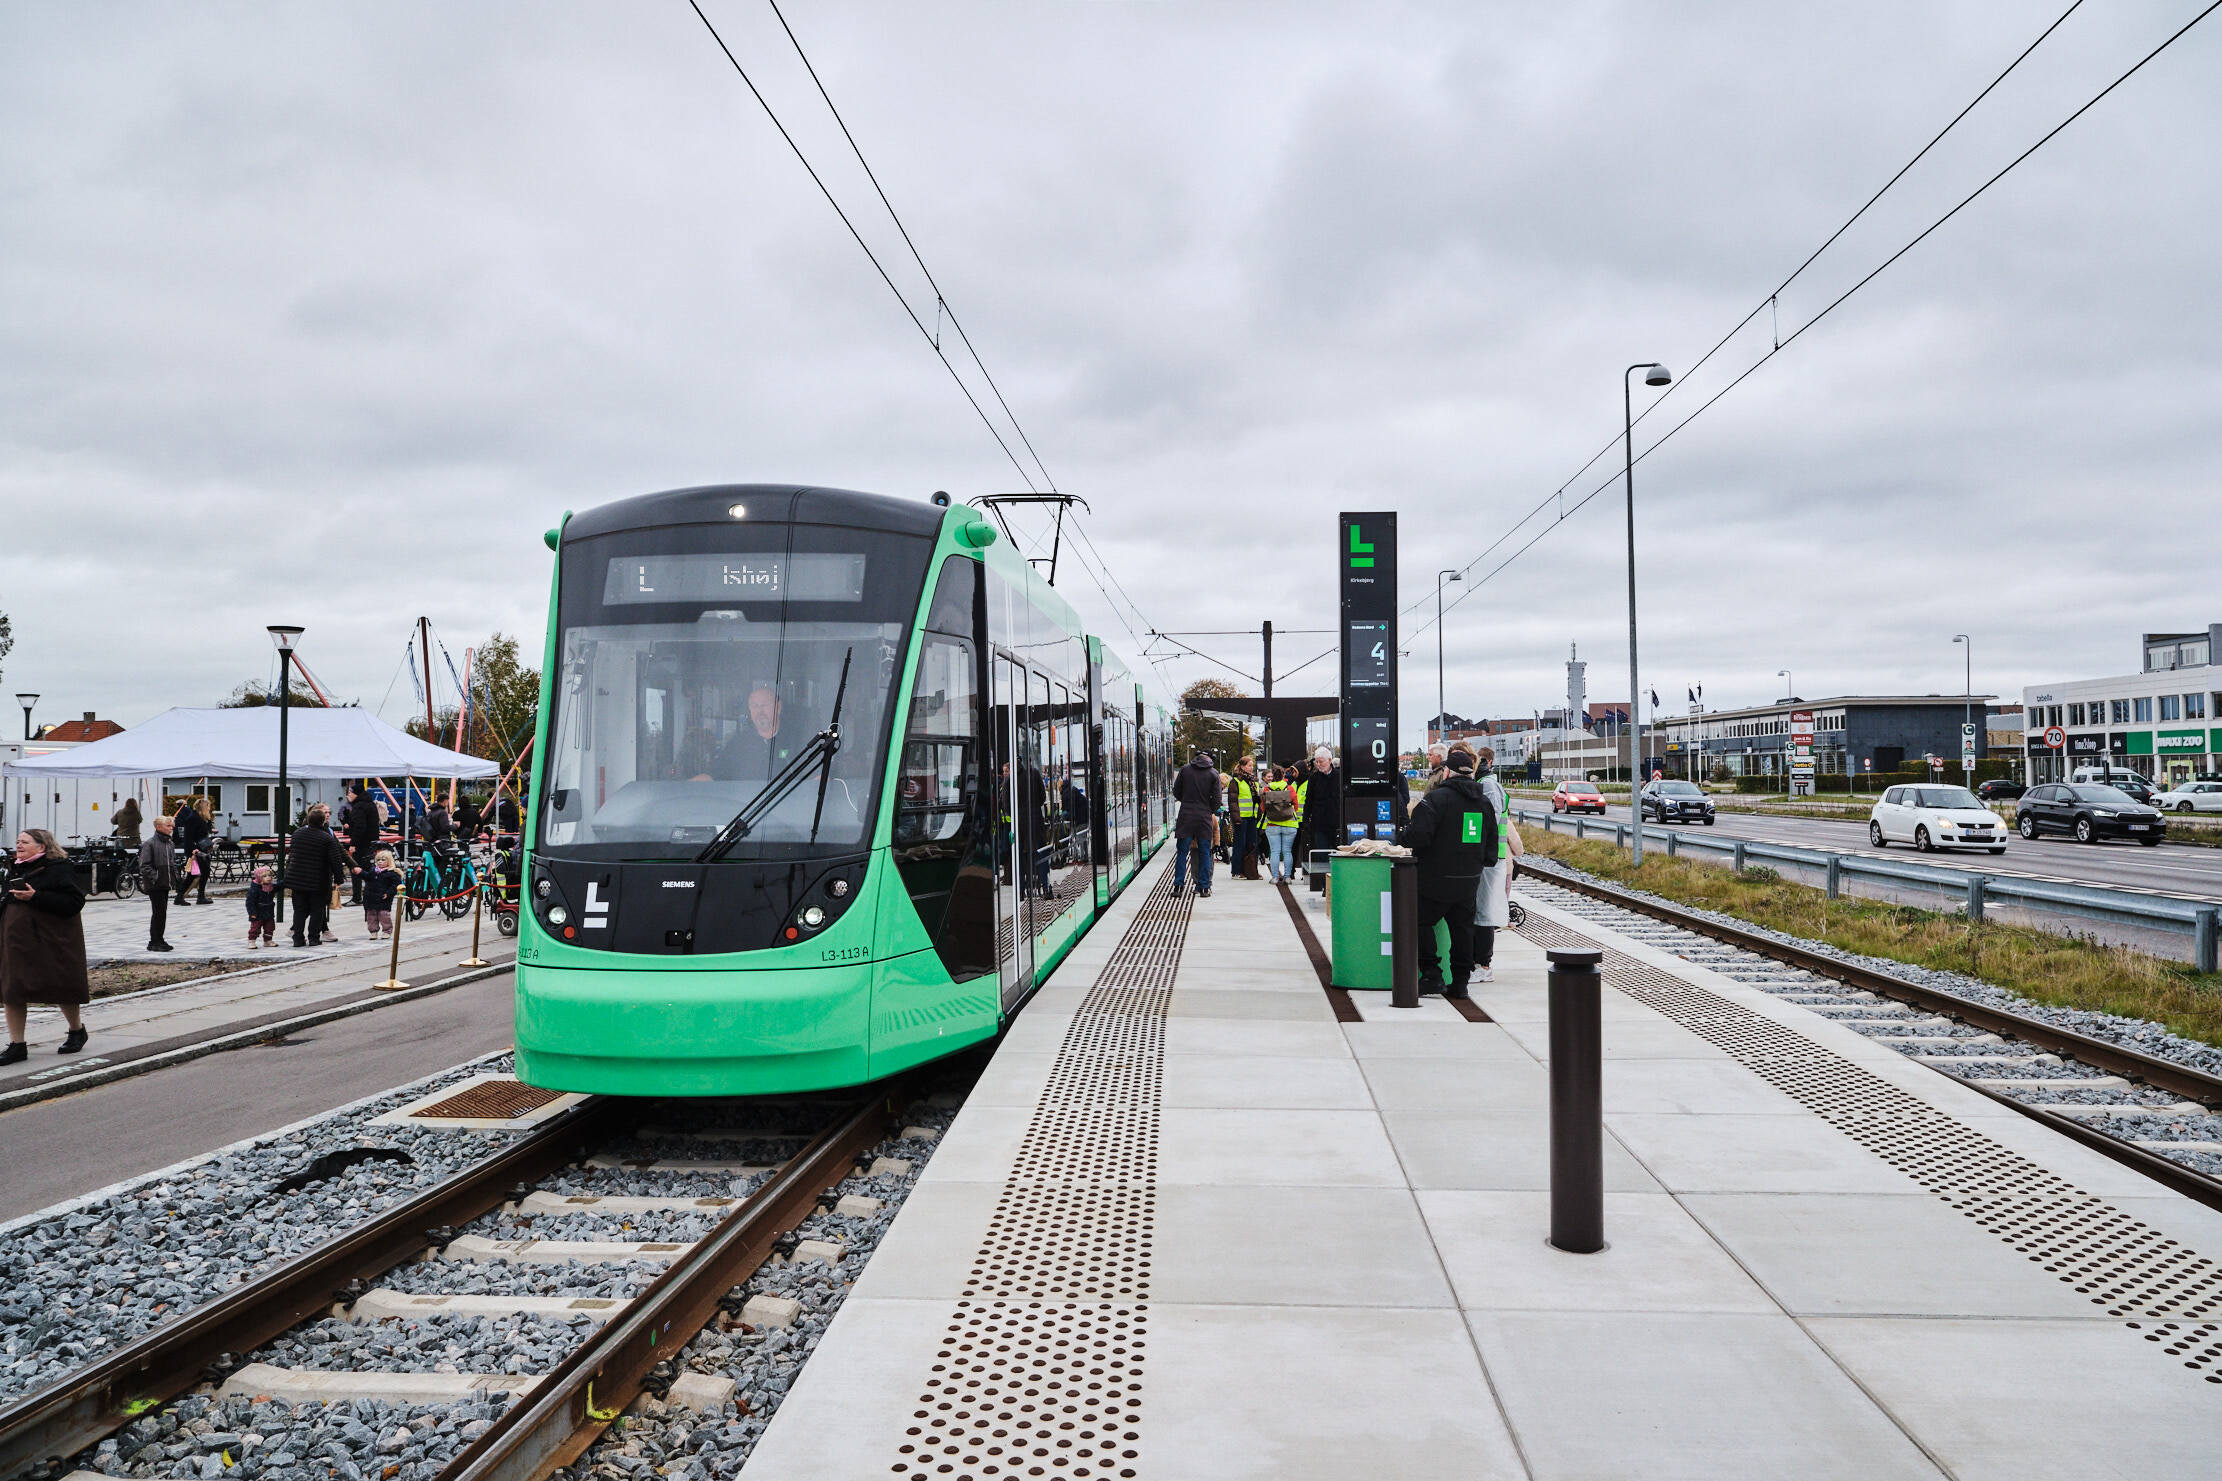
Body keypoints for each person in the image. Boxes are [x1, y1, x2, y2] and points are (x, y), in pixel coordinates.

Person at [1404, 750, 1495, 999]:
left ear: (1446, 773)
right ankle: (1461, 983)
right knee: (1463, 930)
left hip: (1435, 879)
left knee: (1419, 922)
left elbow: (1418, 837)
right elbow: (1491, 847)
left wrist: (1403, 836)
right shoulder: (1484, 803)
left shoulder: (1435, 800)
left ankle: (1432, 974)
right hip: (1469, 881)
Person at [1, 829, 92, 1064]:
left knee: (62, 984)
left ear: (41, 847)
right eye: (17, 841)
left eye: (25, 842)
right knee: (12, 989)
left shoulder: (59, 868)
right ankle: (17, 1045)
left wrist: (35, 896)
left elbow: (74, 902)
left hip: (51, 939)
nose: (18, 845)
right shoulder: (15, 868)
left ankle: (76, 1030)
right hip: (17, 941)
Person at [1471, 745, 1524, 984]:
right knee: (1481, 911)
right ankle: (1480, 963)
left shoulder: (1489, 786)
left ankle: (1483, 965)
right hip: (1490, 857)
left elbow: (1489, 822)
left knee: (1484, 913)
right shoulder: (1486, 783)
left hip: (1490, 858)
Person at [698, 683, 805, 781]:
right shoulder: (738, 744)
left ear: (778, 707)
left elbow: (813, 777)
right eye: (755, 706)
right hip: (748, 797)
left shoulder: (797, 741)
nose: (760, 711)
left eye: (764, 705)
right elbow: (712, 775)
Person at [284, 803, 350, 948]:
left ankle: (298, 938)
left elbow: (292, 856)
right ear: (322, 822)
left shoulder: (297, 834)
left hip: (298, 879)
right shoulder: (326, 838)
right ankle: (314, 938)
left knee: (299, 910)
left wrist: (287, 876)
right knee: (317, 910)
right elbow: (335, 859)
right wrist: (339, 878)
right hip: (318, 880)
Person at [1170, 749, 1221, 897]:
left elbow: (1176, 791)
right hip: (1204, 817)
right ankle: (1204, 887)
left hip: (1186, 815)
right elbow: (1217, 799)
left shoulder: (1185, 770)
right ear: (1209, 759)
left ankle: (1178, 886)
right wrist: (1209, 809)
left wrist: (1186, 801)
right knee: (1205, 852)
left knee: (1182, 852)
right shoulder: (1213, 773)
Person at [1297, 747, 1342, 875]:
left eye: (1321, 761)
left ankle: (1337, 879)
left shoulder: (1339, 776)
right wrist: (1305, 820)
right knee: (1321, 854)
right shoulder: (1314, 778)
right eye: (1316, 762)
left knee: (1338, 853)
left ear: (1329, 760)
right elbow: (1308, 801)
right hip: (1319, 823)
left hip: (1336, 822)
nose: (1318, 764)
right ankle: (1324, 882)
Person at [140, 816, 178, 951]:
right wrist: (155, 877)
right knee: (159, 912)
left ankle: (158, 939)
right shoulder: (150, 843)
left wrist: (175, 877)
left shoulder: (170, 844)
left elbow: (172, 862)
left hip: (165, 883)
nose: (171, 828)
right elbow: (144, 865)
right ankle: (154, 941)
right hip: (155, 884)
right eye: (168, 825)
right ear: (158, 827)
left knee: (162, 912)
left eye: (172, 826)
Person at [1260, 764, 1301, 882]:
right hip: (1290, 824)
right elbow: (1296, 806)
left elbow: (1263, 808)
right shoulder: (1290, 788)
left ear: (1273, 776)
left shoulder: (1267, 789)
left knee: (1275, 851)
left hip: (1272, 824)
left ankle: (1275, 877)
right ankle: (1287, 877)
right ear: (1283, 775)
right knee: (1287, 851)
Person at [344, 784, 383, 905]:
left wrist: (353, 843)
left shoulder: (359, 806)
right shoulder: (370, 804)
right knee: (369, 870)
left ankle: (357, 897)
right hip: (371, 843)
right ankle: (372, 896)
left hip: (362, 844)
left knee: (355, 868)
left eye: (350, 792)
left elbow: (359, 827)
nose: (348, 795)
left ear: (356, 793)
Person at [173, 795, 215, 906]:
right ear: (203, 807)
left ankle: (186, 897)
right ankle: (195, 897)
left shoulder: (200, 818)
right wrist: (193, 850)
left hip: (201, 850)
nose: (209, 809)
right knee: (196, 874)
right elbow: (189, 837)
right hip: (196, 850)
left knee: (200, 873)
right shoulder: (193, 818)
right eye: (208, 806)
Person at [1226, 755, 1262, 880]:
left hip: (1252, 817)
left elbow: (1257, 800)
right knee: (1239, 844)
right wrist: (1236, 818)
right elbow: (1232, 802)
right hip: (1241, 818)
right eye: (1249, 765)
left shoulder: (1254, 781)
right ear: (1242, 766)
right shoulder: (1236, 781)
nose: (1251, 768)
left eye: (1252, 765)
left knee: (1252, 845)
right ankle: (1236, 871)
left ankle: (1251, 870)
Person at [361, 849, 402, 938]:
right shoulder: (373, 871)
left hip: (383, 898)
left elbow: (395, 886)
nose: (380, 862)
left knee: (384, 915)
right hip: (371, 898)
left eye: (383, 860)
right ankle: (373, 931)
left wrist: (388, 893)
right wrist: (360, 872)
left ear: (389, 861)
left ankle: (387, 931)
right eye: (378, 860)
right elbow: (367, 877)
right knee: (371, 916)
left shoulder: (392, 874)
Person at [244, 865, 278, 948]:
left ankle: (268, 941)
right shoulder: (255, 888)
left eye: (270, 875)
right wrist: (252, 912)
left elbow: (279, 886)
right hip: (257, 912)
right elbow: (249, 902)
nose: (268, 877)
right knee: (255, 927)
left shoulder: (270, 886)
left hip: (269, 911)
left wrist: (286, 882)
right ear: (259, 878)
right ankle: (251, 941)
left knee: (270, 927)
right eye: (265, 876)